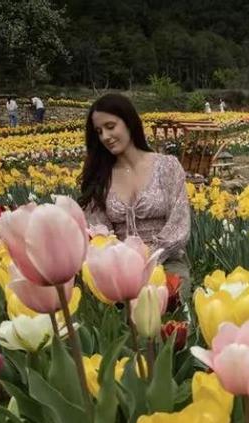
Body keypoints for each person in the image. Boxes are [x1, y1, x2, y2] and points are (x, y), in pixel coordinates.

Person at [78, 93, 192, 296]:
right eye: (99, 131)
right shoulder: (100, 178)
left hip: (166, 263)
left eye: (110, 126)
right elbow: (99, 234)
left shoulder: (166, 166)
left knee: (169, 318)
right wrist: (124, 265)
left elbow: (179, 224)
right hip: (119, 270)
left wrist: (147, 259)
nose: (105, 136)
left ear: (129, 122)